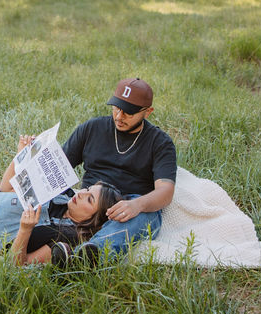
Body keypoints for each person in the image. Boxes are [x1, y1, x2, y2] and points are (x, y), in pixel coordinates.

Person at [57, 77, 177, 264]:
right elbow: (58, 168)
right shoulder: (93, 128)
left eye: (129, 113)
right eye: (116, 108)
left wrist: (138, 205)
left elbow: (165, 191)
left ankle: (88, 257)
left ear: (148, 112)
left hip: (129, 206)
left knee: (146, 215)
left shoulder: (160, 143)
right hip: (90, 204)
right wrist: (16, 181)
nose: (119, 117)